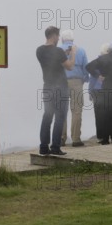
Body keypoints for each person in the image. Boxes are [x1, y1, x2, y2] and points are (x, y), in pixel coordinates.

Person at [36, 26, 76, 156]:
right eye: (58, 36)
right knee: (60, 117)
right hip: (60, 87)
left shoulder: (39, 50)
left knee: (47, 116)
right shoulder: (58, 51)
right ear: (53, 36)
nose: (59, 38)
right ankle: (55, 147)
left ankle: (43, 147)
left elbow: (53, 60)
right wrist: (73, 53)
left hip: (47, 86)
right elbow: (69, 66)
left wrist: (65, 55)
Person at [60, 30, 89, 147]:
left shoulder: (58, 51)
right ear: (72, 39)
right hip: (77, 81)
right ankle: (76, 139)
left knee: (61, 110)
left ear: (62, 39)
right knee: (76, 110)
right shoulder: (80, 50)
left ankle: (61, 138)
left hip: (61, 82)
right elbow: (86, 68)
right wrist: (85, 79)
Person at [87, 43, 110, 142]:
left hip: (96, 91)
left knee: (98, 114)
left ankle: (100, 136)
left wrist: (90, 92)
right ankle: (110, 135)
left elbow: (92, 80)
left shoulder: (95, 62)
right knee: (109, 113)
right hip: (108, 90)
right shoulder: (111, 62)